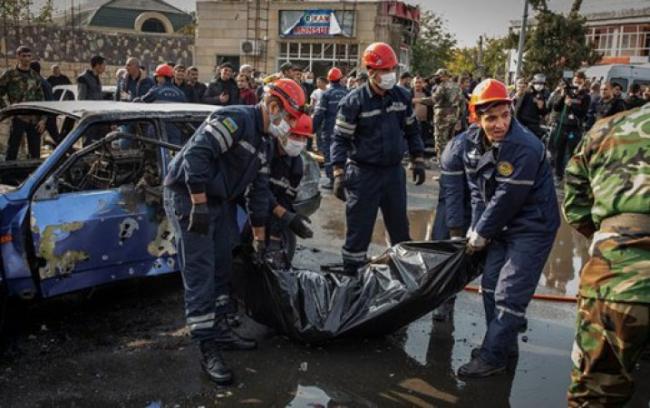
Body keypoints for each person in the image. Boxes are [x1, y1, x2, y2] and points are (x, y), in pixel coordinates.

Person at [163, 78, 307, 385]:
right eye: (290, 118)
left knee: (222, 267)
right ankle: (207, 347)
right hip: (189, 196)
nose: (290, 125)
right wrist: (199, 204)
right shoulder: (235, 118)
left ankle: (220, 331)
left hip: (221, 202)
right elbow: (195, 156)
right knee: (200, 271)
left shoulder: (266, 143)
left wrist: (258, 238)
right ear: (273, 106)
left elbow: (259, 193)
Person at [457, 78, 560, 378]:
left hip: (532, 226)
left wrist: (483, 231)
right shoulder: (471, 143)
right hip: (500, 225)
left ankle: (492, 357)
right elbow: (478, 191)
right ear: (477, 117)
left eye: (505, 115)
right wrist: (476, 228)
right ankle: (502, 345)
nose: (500, 123)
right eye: (491, 118)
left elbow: (508, 197)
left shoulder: (525, 146)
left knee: (509, 293)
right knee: (489, 285)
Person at [563, 106, 649, 407]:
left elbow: (575, 203)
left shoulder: (607, 129)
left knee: (595, 396)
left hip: (615, 282)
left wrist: (613, 241)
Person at [331, 42, 425, 275]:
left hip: (393, 173)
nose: (390, 75)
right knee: (359, 230)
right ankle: (352, 279)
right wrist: (338, 173)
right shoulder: (354, 101)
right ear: (371, 71)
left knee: (400, 229)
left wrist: (418, 158)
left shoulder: (401, 96)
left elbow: (412, 130)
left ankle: (404, 279)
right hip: (364, 174)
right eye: (385, 71)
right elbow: (340, 140)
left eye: (392, 69)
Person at [430, 128, 472, 321]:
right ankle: (444, 300)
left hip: (483, 200)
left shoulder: (512, 144)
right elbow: (453, 197)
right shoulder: (457, 148)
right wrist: (456, 233)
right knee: (444, 248)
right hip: (453, 198)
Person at [264, 114, 314, 268]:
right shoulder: (265, 151)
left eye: (303, 138)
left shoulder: (296, 164)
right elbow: (255, 191)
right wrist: (285, 215)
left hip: (268, 210)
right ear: (282, 132)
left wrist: (278, 232)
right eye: (295, 136)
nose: (299, 142)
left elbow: (285, 200)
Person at [0, 46, 46, 160]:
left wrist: (43, 119)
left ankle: (35, 176)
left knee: (35, 154)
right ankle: (9, 177)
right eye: (23, 56)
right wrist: (7, 110)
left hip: (34, 119)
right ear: (18, 57)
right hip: (18, 118)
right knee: (12, 151)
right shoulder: (10, 74)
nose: (26, 59)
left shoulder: (35, 76)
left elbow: (42, 99)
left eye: (29, 56)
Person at [550, 71, 590, 181]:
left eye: (579, 82)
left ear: (583, 83)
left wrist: (572, 104)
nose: (576, 84)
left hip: (575, 128)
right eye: (575, 81)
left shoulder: (585, 97)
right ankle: (558, 175)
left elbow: (583, 113)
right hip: (562, 125)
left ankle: (570, 175)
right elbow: (556, 107)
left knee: (572, 152)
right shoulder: (566, 93)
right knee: (559, 151)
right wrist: (562, 96)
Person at [312, 67, 348, 190]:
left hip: (329, 130)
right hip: (345, 130)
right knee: (343, 152)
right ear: (340, 78)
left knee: (329, 154)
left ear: (329, 80)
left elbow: (319, 114)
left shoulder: (326, 94)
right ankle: (344, 178)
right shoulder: (347, 92)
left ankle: (332, 180)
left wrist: (311, 129)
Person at [135, 64, 187, 145]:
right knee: (175, 152)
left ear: (161, 77)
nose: (156, 79)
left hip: (157, 129)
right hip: (176, 129)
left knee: (155, 153)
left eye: (157, 77)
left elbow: (139, 102)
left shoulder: (155, 91)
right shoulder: (180, 93)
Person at [422, 68, 463, 159]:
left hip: (442, 118)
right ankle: (450, 163)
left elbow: (433, 100)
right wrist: (459, 119)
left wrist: (418, 100)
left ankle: (442, 167)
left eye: (438, 76)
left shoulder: (442, 86)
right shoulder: (457, 86)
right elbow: (462, 103)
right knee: (450, 142)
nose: (436, 78)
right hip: (453, 117)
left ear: (443, 76)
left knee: (440, 143)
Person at [29, 61, 61, 144]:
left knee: (56, 139)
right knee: (56, 138)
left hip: (45, 116)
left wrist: (43, 119)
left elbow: (45, 101)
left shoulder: (39, 82)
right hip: (48, 114)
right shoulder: (43, 81)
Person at [514, 73, 548, 139]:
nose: (539, 85)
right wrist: (518, 125)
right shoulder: (526, 94)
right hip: (523, 125)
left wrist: (541, 107)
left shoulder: (541, 96)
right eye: (538, 83)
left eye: (541, 84)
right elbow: (517, 108)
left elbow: (544, 112)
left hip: (535, 125)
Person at [412, 75, 433, 150]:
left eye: (420, 82)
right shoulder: (409, 93)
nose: (418, 84)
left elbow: (431, 103)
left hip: (425, 120)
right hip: (413, 121)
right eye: (416, 82)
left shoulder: (427, 92)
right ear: (413, 83)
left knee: (424, 137)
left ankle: (422, 152)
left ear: (423, 83)